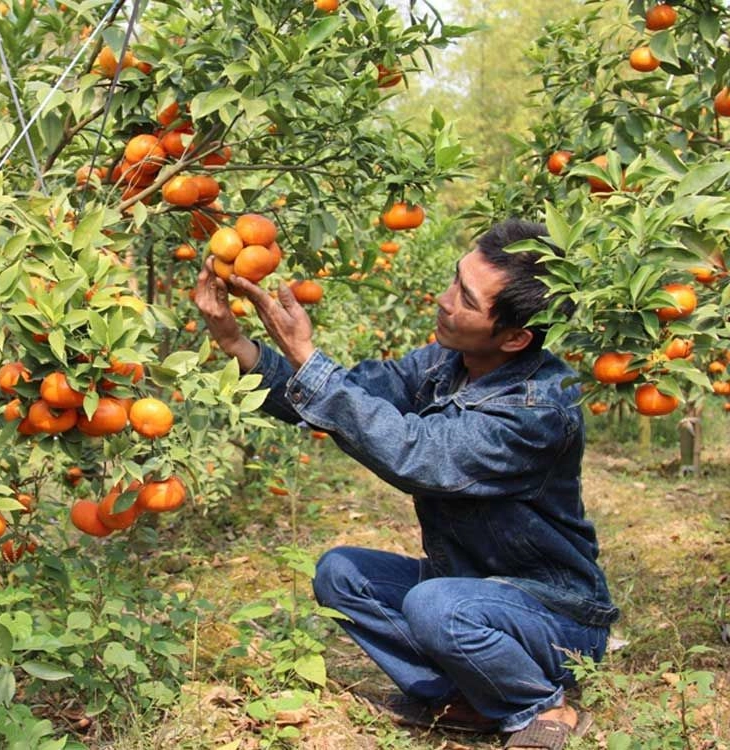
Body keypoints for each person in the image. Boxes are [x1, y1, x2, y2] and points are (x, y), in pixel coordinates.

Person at [194, 218, 618, 749]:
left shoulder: (538, 410)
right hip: (468, 587)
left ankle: (538, 702)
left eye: (464, 297)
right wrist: (236, 342)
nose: (443, 301)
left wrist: (307, 356)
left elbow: (418, 454)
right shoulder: (448, 362)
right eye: (453, 280)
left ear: (515, 337)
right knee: (342, 575)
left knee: (435, 606)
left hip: (553, 618)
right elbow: (350, 395)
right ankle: (466, 695)